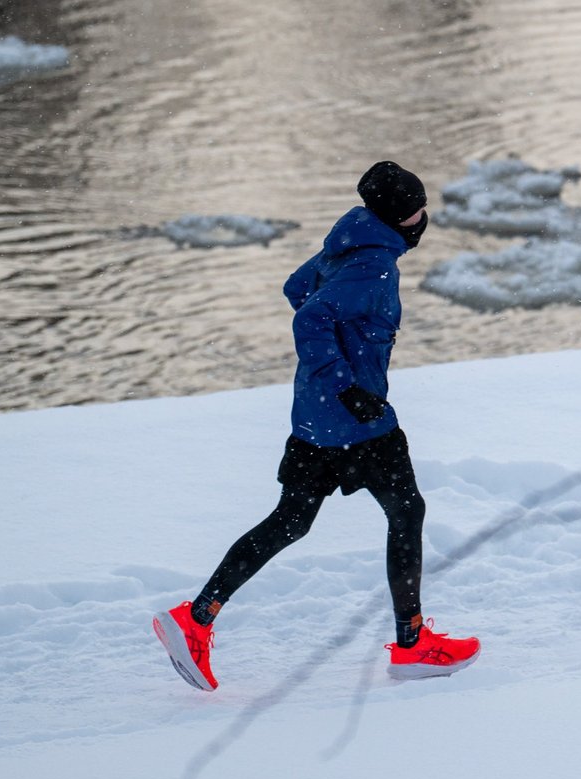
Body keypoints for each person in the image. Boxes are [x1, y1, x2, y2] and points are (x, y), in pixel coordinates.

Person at [152, 161, 480, 690]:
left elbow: (297, 286)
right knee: (407, 511)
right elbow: (309, 316)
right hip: (360, 422)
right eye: (421, 208)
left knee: (292, 522)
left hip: (315, 419)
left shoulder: (349, 239)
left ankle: (197, 617)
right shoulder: (373, 264)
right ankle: (414, 643)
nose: (426, 218)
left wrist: (335, 363)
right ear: (402, 217)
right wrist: (346, 381)